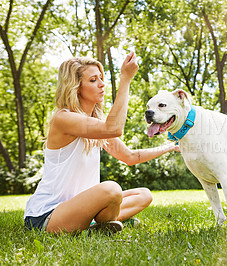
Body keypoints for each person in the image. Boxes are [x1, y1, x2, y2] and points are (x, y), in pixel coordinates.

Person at [24, 51, 178, 234]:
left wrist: (170, 147)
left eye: (101, 78)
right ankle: (100, 224)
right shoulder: (64, 119)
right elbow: (114, 128)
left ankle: (97, 225)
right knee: (111, 189)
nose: (102, 84)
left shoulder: (94, 125)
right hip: (47, 216)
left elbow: (129, 156)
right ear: (75, 87)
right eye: (93, 80)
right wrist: (125, 79)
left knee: (143, 194)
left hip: (81, 208)